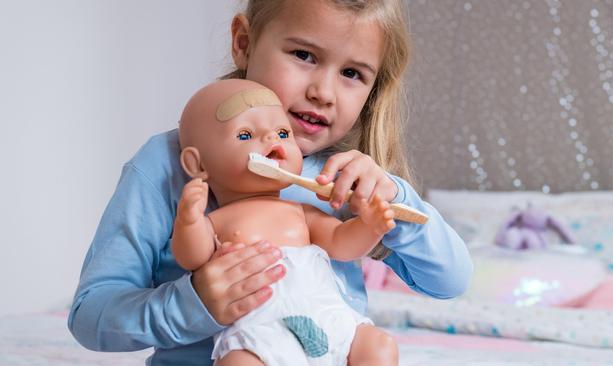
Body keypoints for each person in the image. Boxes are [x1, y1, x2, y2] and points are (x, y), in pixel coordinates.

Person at [68, 1, 473, 365]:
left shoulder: (349, 176)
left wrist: (391, 198)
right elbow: (91, 315)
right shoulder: (167, 165)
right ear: (244, 42)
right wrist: (193, 303)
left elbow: (451, 281)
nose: (323, 93)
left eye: (352, 73)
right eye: (304, 55)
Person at [174, 78, 398, 365]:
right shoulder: (216, 220)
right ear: (198, 165)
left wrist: (369, 226)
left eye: (282, 132)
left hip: (330, 321)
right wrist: (189, 220)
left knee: (379, 346)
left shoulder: (299, 211)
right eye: (245, 135)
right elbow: (191, 257)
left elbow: (342, 243)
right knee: (239, 362)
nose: (272, 140)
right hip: (262, 334)